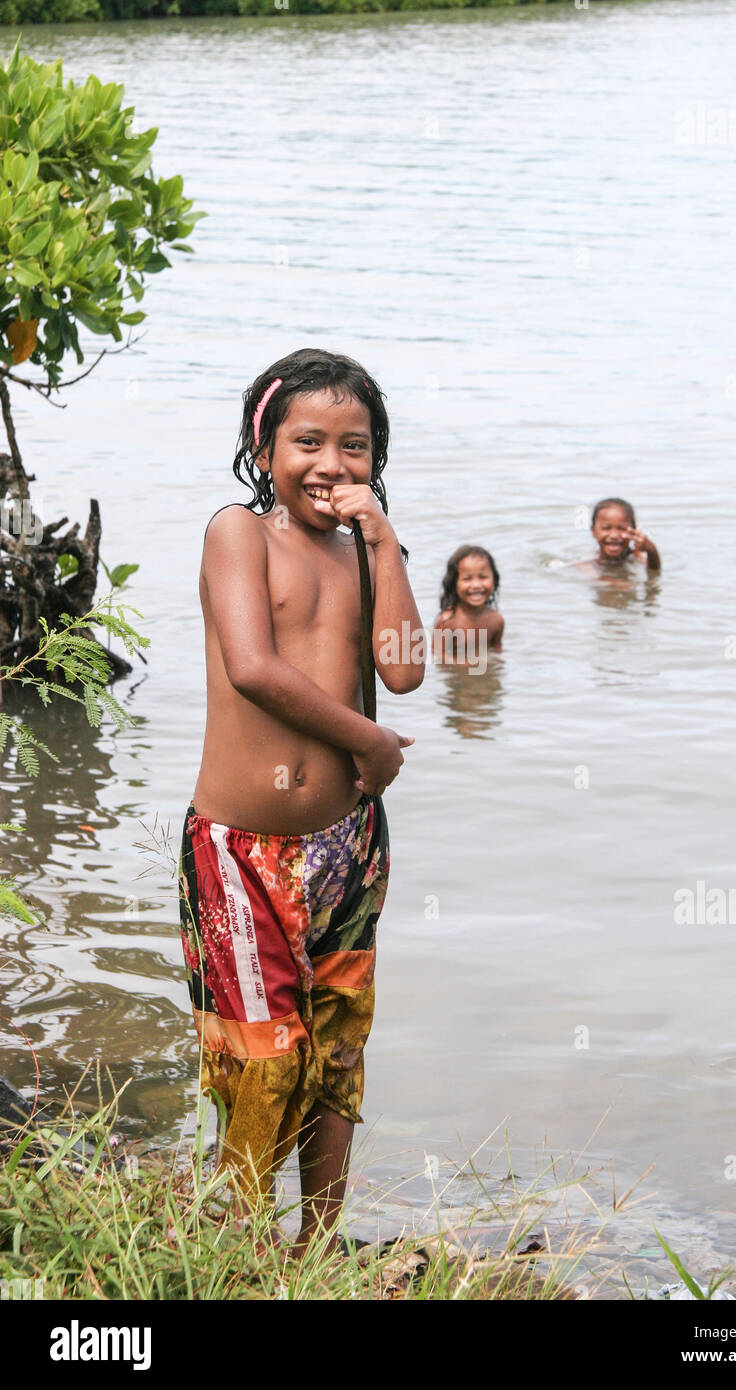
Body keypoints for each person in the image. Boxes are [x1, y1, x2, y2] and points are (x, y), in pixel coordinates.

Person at [177, 348, 424, 1255]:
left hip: (350, 847)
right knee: (262, 1058)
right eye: (308, 441)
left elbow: (401, 670)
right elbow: (252, 668)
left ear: (376, 457)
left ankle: (320, 1251)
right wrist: (365, 743)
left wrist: (386, 541)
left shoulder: (364, 551)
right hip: (243, 850)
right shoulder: (238, 533)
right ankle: (233, 1246)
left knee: (336, 1054)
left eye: (353, 447)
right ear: (264, 444)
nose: (332, 464)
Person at [433, 545, 504, 662]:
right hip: (457, 677)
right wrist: (461, 665)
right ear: (454, 583)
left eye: (483, 577)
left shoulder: (496, 620)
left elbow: (497, 650)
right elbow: (437, 654)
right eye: (467, 579)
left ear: (494, 580)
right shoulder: (447, 621)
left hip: (486, 676)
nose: (476, 585)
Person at [583, 498, 661, 574]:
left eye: (622, 528)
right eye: (606, 528)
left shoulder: (636, 558)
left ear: (633, 531)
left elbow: (654, 572)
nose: (614, 535)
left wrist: (651, 550)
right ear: (593, 531)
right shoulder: (588, 565)